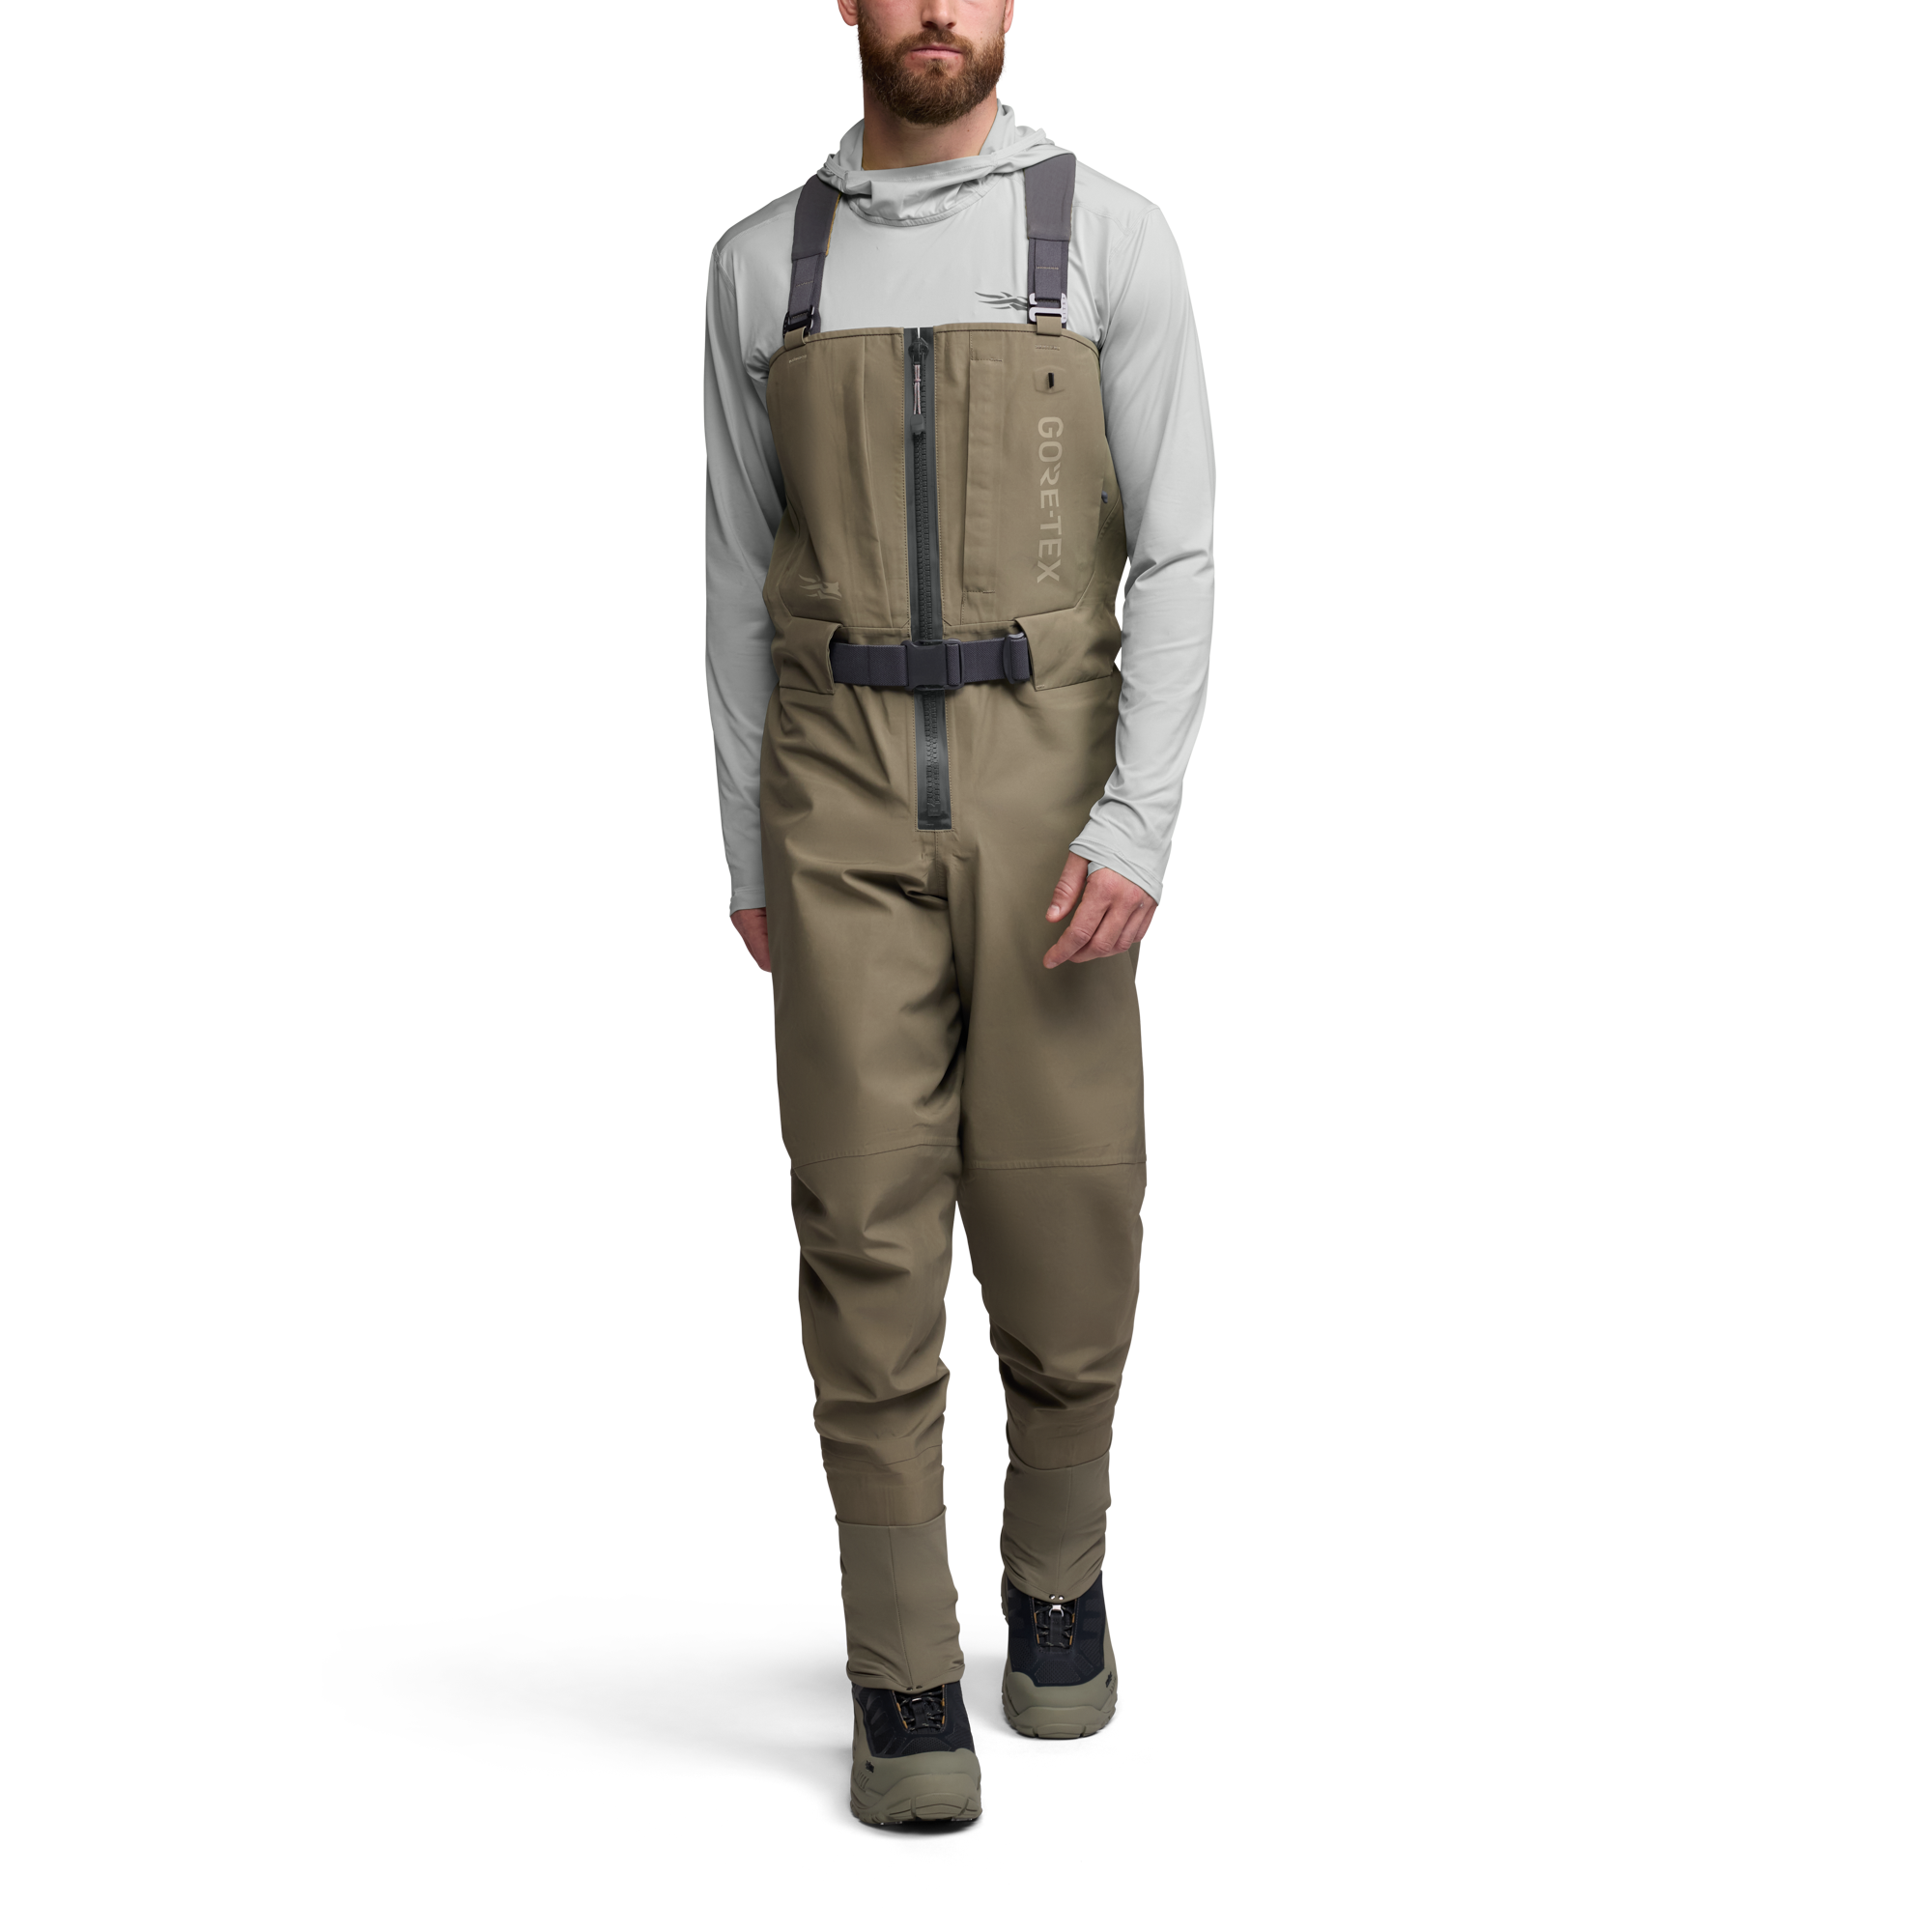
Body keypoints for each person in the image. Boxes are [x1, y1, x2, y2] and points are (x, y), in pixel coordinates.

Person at [703, 0, 1213, 1822]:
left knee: (1065, 1239)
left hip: (1052, 810)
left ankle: (1056, 1593)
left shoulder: (1111, 244)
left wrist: (1138, 822)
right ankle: (903, 1677)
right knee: (864, 1241)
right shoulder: (764, 266)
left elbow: (1179, 546)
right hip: (835, 805)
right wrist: (746, 848)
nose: (935, 8)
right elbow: (730, 563)